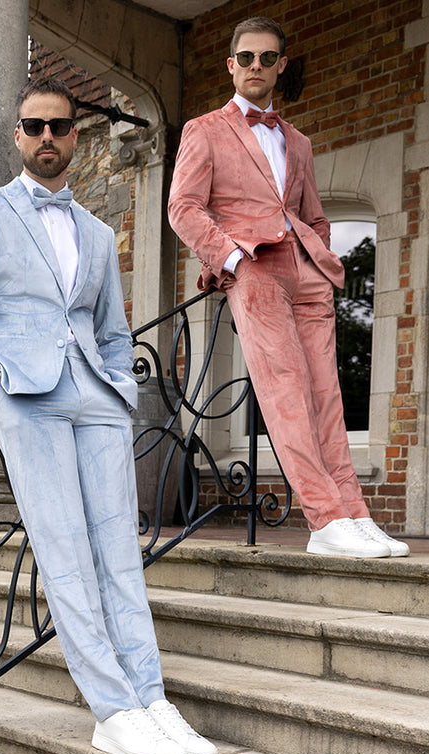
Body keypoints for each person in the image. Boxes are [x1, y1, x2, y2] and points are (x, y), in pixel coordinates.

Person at [0, 77, 217, 754]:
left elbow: (112, 327)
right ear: (16, 134)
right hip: (25, 397)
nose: (46, 139)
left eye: (58, 127)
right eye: (33, 127)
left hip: (95, 396)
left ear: (72, 133)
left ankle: (150, 697)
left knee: (118, 553)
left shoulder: (96, 232)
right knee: (64, 556)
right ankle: (112, 709)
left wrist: (121, 388)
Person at [168, 16, 409, 559]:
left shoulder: (297, 141)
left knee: (327, 398)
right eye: (247, 58)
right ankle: (324, 519)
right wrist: (232, 260)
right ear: (231, 65)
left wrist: (319, 259)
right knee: (286, 393)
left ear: (281, 65)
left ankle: (355, 514)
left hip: (306, 275)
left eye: (268, 58)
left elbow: (314, 216)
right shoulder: (204, 130)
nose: (257, 67)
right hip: (253, 268)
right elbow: (183, 208)